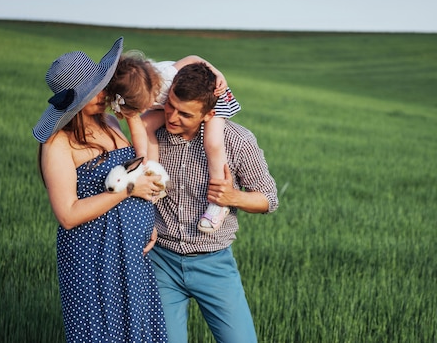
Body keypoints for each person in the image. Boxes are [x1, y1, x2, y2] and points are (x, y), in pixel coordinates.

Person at [32, 37, 168, 342]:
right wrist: (127, 192)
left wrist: (147, 220)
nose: (104, 92)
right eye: (95, 90)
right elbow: (67, 215)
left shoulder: (109, 122)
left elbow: (138, 166)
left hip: (131, 252)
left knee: (139, 331)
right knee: (102, 331)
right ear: (77, 100)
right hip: (93, 256)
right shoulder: (58, 145)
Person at [149, 62, 279, 343]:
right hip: (161, 261)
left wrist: (234, 197)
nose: (172, 117)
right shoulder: (154, 133)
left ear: (210, 114)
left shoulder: (238, 141)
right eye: (170, 106)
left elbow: (269, 199)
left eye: (185, 113)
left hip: (213, 263)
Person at [105, 51, 241, 233]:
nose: (145, 109)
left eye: (146, 104)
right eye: (141, 108)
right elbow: (138, 127)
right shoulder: (129, 95)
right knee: (146, 125)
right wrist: (142, 159)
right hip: (179, 102)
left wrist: (217, 73)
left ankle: (218, 202)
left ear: (153, 88)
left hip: (212, 94)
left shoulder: (167, 75)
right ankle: (155, 177)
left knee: (213, 142)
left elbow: (193, 58)